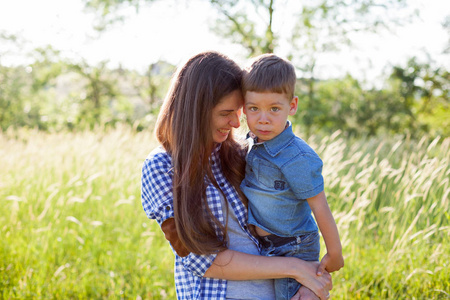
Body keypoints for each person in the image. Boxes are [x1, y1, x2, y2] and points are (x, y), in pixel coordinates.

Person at [141, 51, 332, 300]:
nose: (234, 123)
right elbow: (202, 262)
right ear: (196, 111)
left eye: (239, 111)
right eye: (225, 113)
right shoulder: (161, 167)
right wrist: (296, 269)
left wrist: (309, 281)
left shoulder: (244, 154)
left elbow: (293, 222)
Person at [240, 53, 344, 300]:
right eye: (254, 108)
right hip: (266, 247)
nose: (263, 119)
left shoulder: (296, 157)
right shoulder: (250, 142)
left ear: (292, 106)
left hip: (293, 247)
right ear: (244, 108)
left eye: (274, 109)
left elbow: (320, 206)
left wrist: (335, 252)